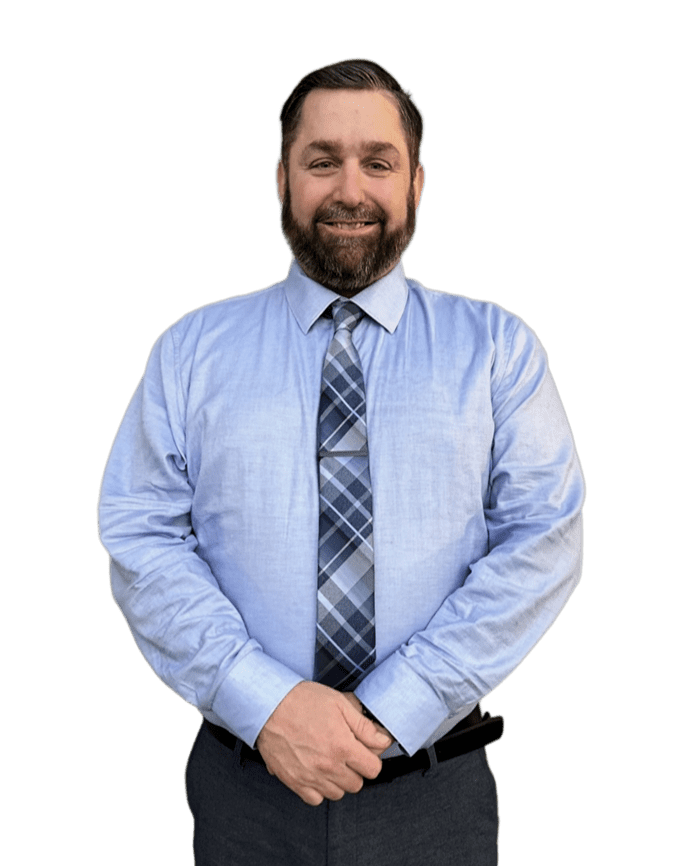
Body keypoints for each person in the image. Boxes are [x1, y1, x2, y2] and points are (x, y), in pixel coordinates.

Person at [98, 58, 585, 865]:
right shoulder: (191, 352)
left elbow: (543, 539)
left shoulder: (498, 351)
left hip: (436, 794)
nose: (349, 189)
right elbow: (142, 536)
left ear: (417, 183)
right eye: (322, 161)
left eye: (378, 163)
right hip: (246, 794)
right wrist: (267, 703)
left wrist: (398, 704)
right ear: (282, 179)